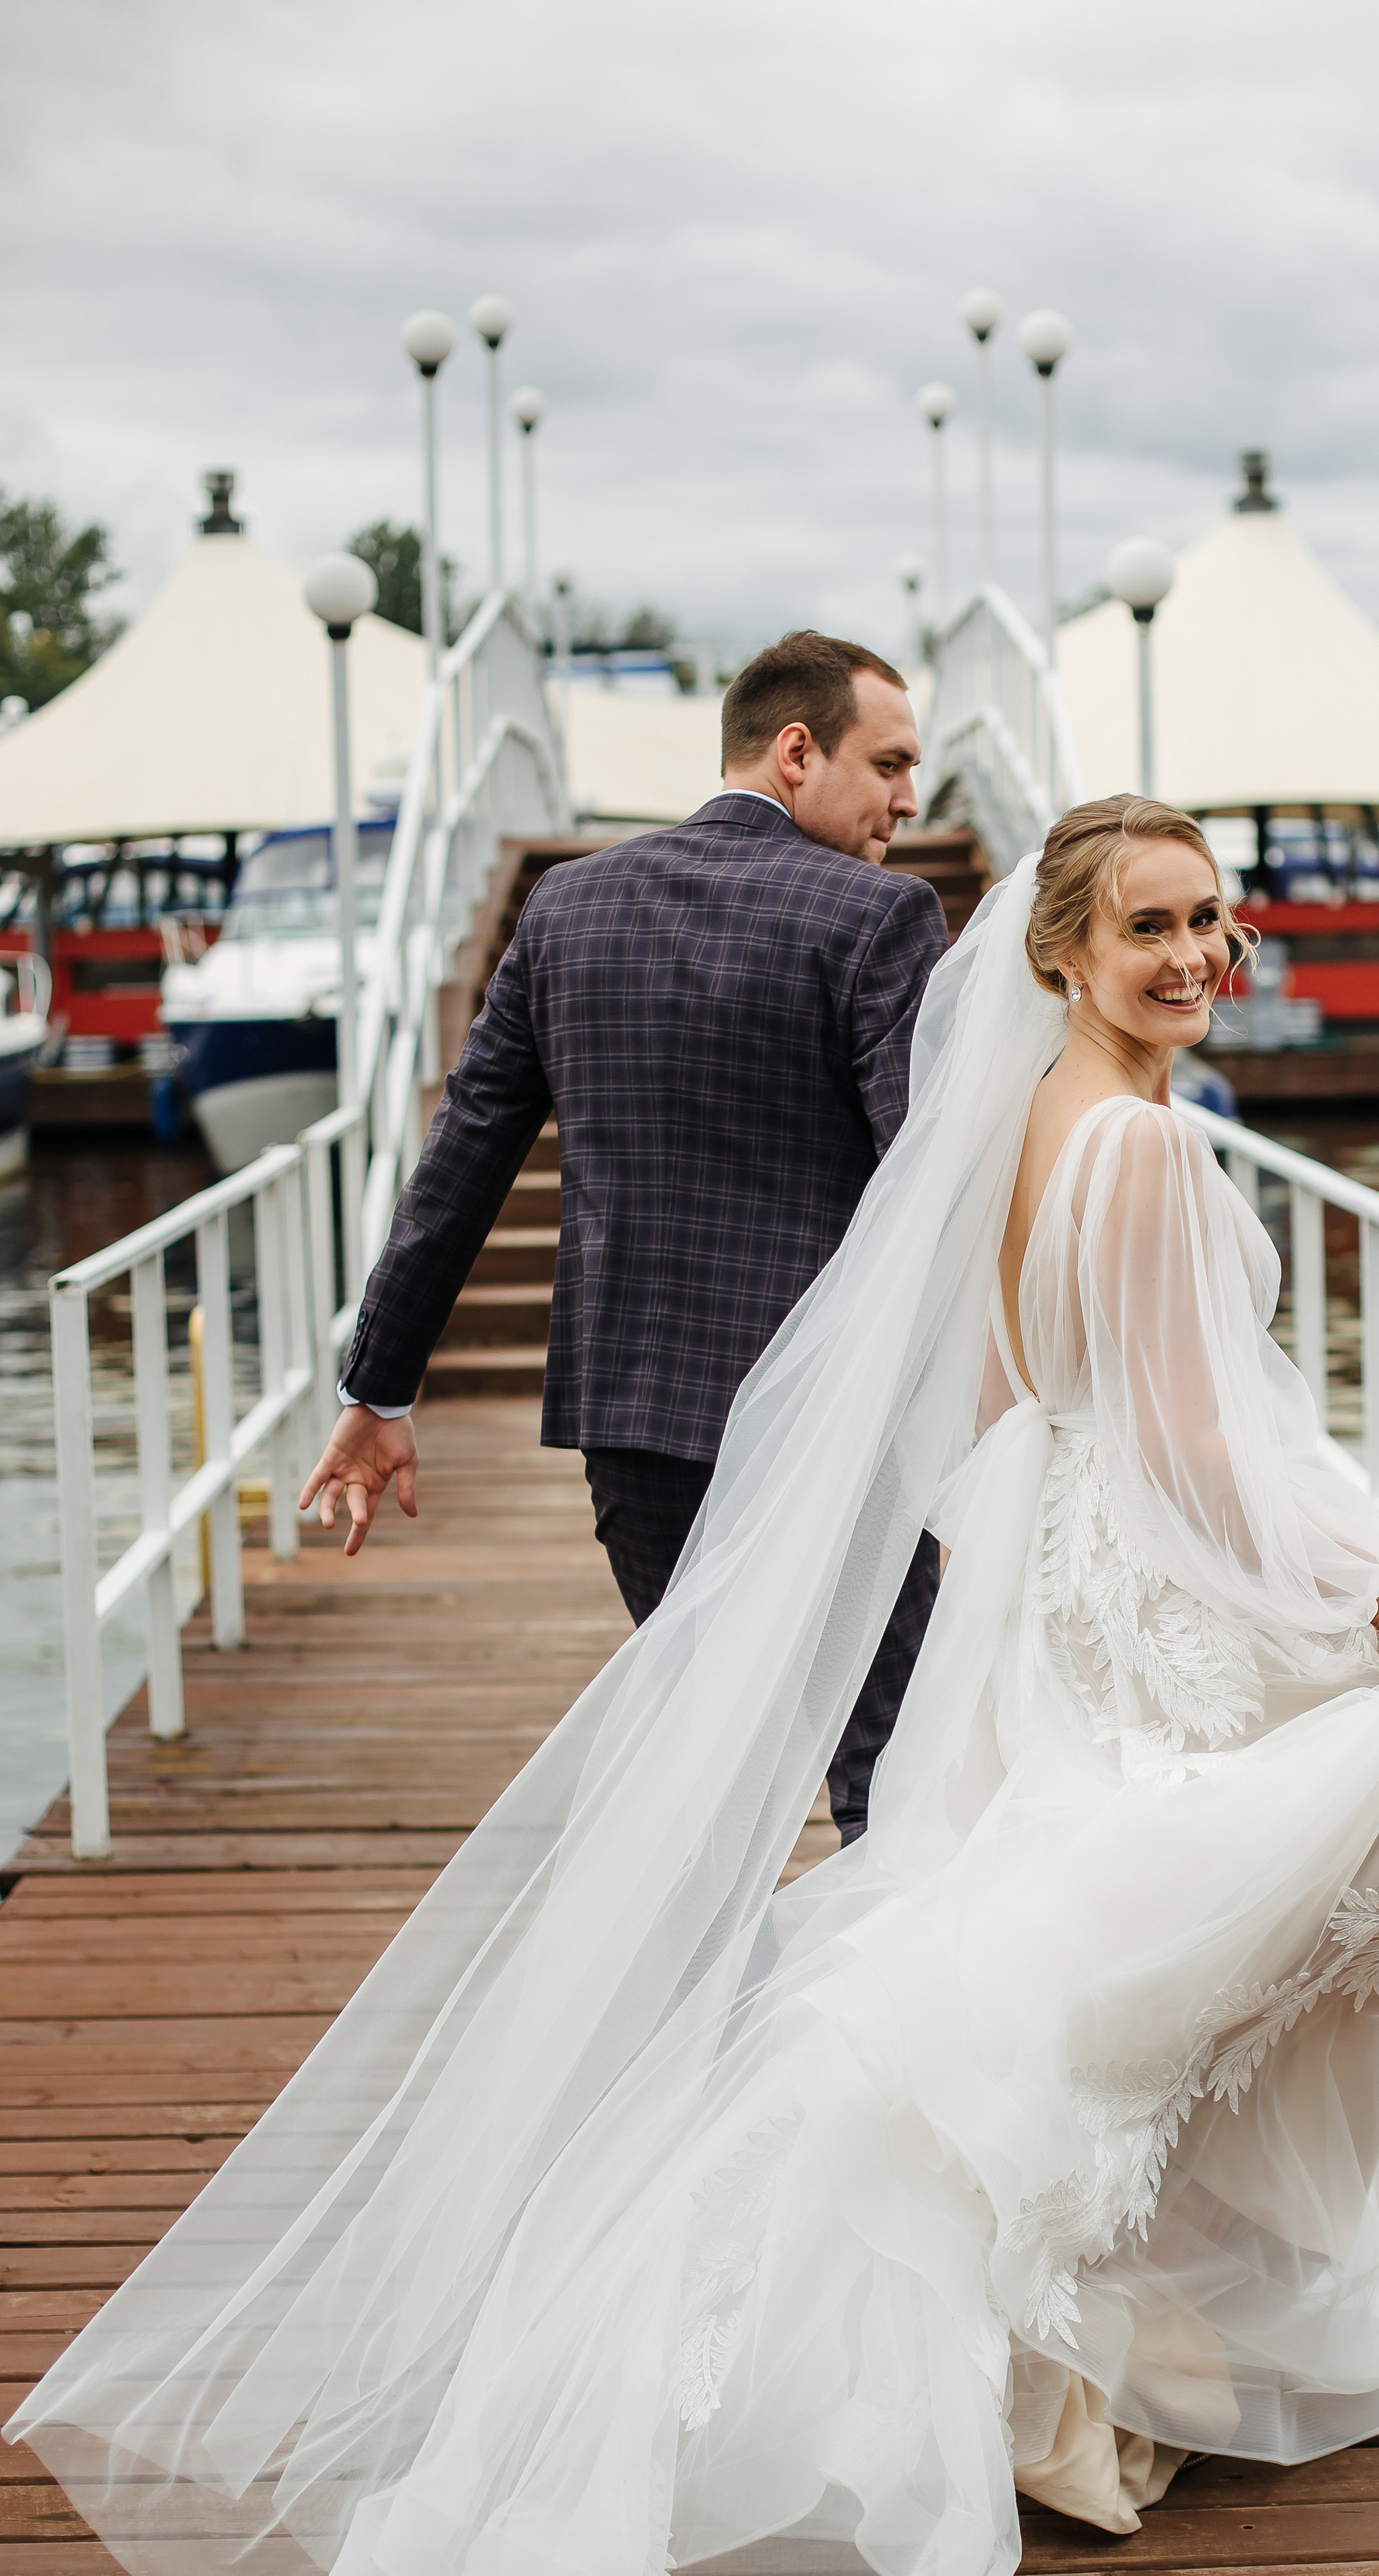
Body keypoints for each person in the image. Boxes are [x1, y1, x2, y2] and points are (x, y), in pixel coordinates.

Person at [12, 796, 1379, 2576]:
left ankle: (1086, 2357)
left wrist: (1055, 1568)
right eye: (1151, 924)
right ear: (1057, 952)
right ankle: (1044, 2362)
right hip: (1147, 1583)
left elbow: (999, 1398)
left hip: (1054, 1570)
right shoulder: (1136, 1141)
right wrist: (1377, 1588)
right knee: (1133, 1939)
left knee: (1052, 1928)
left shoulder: (1014, 1122)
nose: (1198, 955)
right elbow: (1200, 1444)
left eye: (1215, 921)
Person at [300, 629, 953, 1838]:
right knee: (890, 1769)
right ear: (797, 752)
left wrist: (378, 1391)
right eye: (892, 763)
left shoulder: (568, 906)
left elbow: (461, 1165)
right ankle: (879, 2029)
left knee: (707, 1767)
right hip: (832, 1423)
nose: (911, 800)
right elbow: (931, 1178)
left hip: (636, 1424)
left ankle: (708, 2024)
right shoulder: (882, 920)